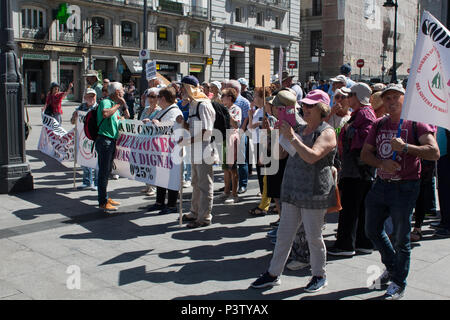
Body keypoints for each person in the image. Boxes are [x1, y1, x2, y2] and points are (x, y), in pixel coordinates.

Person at [251, 89, 337, 293]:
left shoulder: (327, 132)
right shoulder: (300, 128)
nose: (305, 108)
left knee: (313, 237)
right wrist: (272, 136)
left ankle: (319, 275)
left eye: (310, 106)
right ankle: (273, 273)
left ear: (322, 109)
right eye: (304, 105)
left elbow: (312, 156)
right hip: (292, 187)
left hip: (313, 190)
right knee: (284, 234)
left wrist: (291, 136)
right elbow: (280, 156)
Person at [361, 83, 440, 300]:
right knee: (372, 230)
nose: (392, 101)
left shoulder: (416, 123)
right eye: (387, 98)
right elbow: (365, 154)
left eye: (396, 97)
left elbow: (434, 152)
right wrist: (381, 163)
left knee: (401, 238)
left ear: (405, 100)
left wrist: (406, 147)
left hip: (405, 187)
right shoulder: (378, 124)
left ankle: (398, 281)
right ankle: (393, 266)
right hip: (381, 186)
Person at [328, 83, 376, 257]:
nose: (347, 98)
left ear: (358, 96)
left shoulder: (364, 113)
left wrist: (350, 130)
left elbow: (366, 139)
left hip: (357, 170)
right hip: (358, 169)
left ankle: (346, 244)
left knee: (350, 209)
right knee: (359, 208)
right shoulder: (363, 113)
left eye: (350, 95)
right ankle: (361, 242)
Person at [177, 75, 216, 228]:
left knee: (205, 184)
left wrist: (187, 141)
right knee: (196, 182)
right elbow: (195, 129)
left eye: (183, 87)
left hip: (204, 149)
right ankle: (195, 211)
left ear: (189, 88)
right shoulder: (193, 104)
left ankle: (204, 217)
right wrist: (184, 124)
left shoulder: (203, 104)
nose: (181, 91)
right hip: (196, 149)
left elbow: (206, 132)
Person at [147, 87, 183, 215]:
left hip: (171, 150)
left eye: (158, 98)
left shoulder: (174, 112)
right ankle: (159, 202)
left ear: (163, 98)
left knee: (171, 177)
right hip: (162, 149)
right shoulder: (164, 110)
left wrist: (157, 124)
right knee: (160, 176)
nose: (157, 101)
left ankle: (172, 205)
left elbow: (172, 129)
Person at [96, 82, 128, 212]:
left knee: (107, 171)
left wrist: (123, 105)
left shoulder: (114, 105)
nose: (124, 92)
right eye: (122, 90)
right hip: (105, 140)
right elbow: (105, 114)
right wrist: (119, 104)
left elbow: (127, 116)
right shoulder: (106, 102)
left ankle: (105, 197)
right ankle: (102, 201)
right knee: (103, 172)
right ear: (116, 92)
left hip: (111, 141)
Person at [215, 87, 242, 204]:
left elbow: (236, 124)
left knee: (233, 168)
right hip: (223, 137)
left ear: (229, 98)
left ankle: (234, 194)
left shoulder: (236, 109)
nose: (221, 98)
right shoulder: (223, 108)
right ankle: (226, 191)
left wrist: (227, 114)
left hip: (232, 138)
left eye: (223, 96)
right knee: (225, 168)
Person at [70, 88, 98, 190]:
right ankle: (87, 181)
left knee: (95, 161)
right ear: (85, 97)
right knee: (85, 160)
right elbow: (73, 122)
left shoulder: (98, 108)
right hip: (83, 138)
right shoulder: (81, 108)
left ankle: (97, 183)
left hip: (94, 137)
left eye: (93, 96)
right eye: (89, 96)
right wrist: (75, 116)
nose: (91, 98)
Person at [227, 80, 251, 194]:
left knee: (241, 160)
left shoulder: (244, 102)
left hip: (241, 132)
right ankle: (230, 184)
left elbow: (246, 118)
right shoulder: (226, 102)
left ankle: (242, 184)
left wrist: (241, 131)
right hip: (229, 134)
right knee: (230, 161)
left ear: (235, 90)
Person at [139, 87, 162, 197]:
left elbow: (161, 125)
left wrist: (153, 122)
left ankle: (153, 187)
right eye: (149, 96)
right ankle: (148, 185)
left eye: (153, 96)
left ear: (158, 98)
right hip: (144, 139)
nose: (150, 99)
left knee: (153, 164)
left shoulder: (159, 111)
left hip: (154, 140)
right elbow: (139, 122)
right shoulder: (145, 109)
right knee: (144, 163)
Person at [433, 128, 450, 237]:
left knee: (446, 190)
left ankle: (448, 225)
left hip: (447, 155)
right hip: (442, 155)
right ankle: (445, 221)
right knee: (443, 190)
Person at [177, 88, 192, 188]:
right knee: (180, 157)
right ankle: (181, 178)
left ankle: (188, 178)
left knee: (188, 158)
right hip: (179, 132)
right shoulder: (178, 104)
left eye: (186, 93)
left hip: (189, 132)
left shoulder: (192, 105)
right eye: (183, 93)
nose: (184, 95)